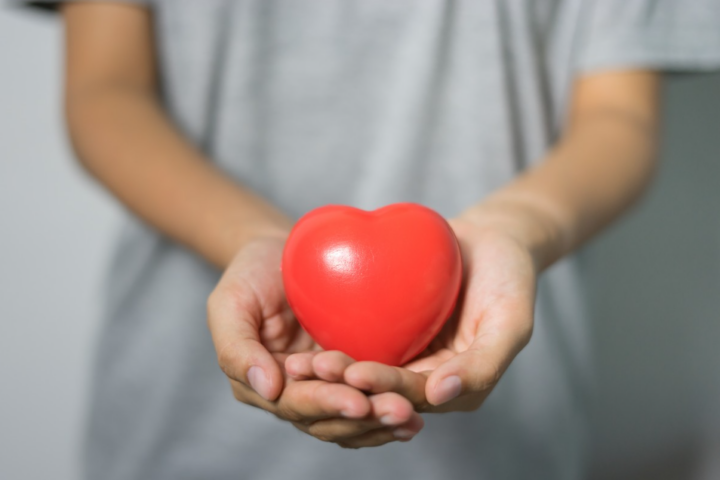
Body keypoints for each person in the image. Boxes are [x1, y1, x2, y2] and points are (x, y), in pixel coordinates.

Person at [20, 0, 720, 479]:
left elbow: (619, 121)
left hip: (507, 439)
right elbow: (105, 94)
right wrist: (257, 242)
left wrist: (511, 227)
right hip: (179, 430)